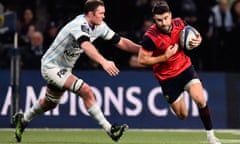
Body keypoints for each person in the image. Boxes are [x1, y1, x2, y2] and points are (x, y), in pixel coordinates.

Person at [13, 0, 140, 142]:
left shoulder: (100, 26)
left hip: (65, 69)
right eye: (101, 14)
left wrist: (142, 50)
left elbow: (121, 41)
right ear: (90, 14)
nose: (103, 16)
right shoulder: (78, 25)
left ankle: (23, 120)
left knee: (50, 103)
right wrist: (103, 61)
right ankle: (110, 130)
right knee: (86, 90)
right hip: (51, 66)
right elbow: (85, 45)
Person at [137, 1, 221, 144]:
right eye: (159, 20)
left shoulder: (179, 23)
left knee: (200, 100)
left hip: (185, 69)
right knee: (183, 115)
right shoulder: (150, 37)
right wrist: (164, 57)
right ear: (154, 20)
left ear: (170, 15)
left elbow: (196, 35)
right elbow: (142, 60)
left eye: (165, 18)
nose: (163, 23)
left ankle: (211, 136)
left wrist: (198, 40)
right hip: (167, 78)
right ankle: (177, 98)